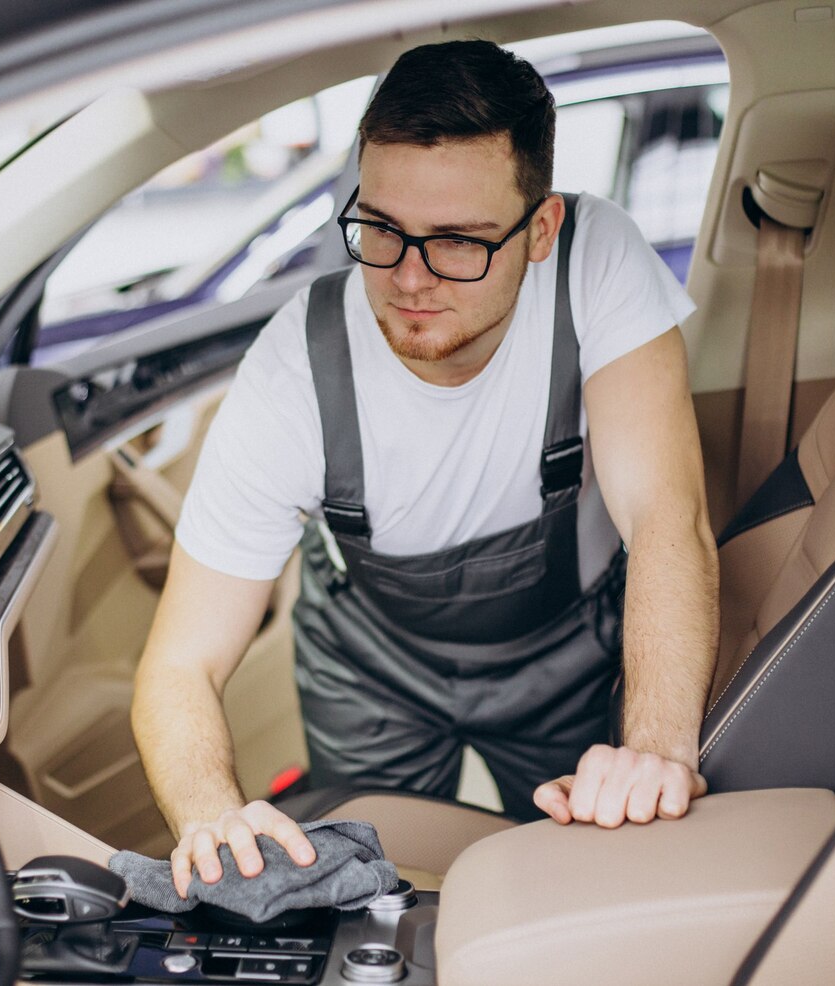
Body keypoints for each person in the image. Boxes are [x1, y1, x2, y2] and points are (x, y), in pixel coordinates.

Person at [132, 39, 717, 897]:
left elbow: (667, 514)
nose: (409, 279)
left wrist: (655, 751)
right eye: (382, 229)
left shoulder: (595, 261)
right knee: (367, 885)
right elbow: (181, 661)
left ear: (541, 230)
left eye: (457, 242)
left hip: (566, 648)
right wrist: (210, 816)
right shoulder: (296, 365)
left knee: (591, 876)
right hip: (370, 667)